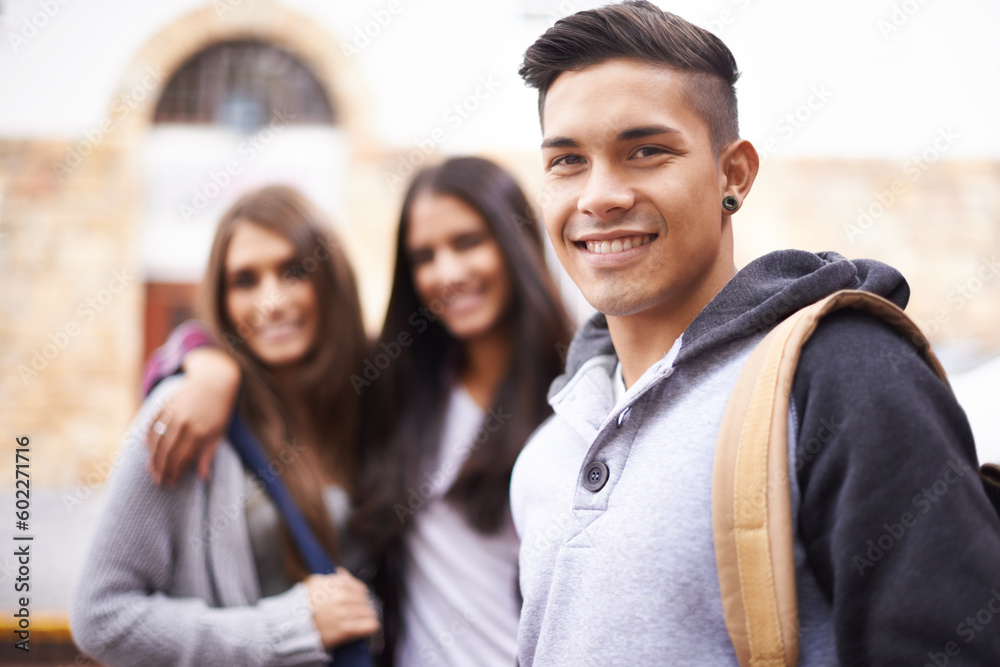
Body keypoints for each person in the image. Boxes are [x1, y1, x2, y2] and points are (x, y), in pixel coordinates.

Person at [508, 2, 1000, 666]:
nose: (600, 195)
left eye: (645, 151)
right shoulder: (547, 450)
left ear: (732, 175)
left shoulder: (844, 373)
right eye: (567, 160)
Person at [137, 157, 574, 666]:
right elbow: (251, 343)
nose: (448, 273)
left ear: (516, 241)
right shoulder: (398, 384)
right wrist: (207, 361)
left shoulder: (579, 398)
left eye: (469, 242)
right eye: (425, 256)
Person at [70, 186, 380, 666]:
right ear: (220, 296)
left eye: (294, 271)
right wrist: (288, 631)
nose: (271, 302)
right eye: (244, 280)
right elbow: (101, 617)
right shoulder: (189, 410)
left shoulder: (369, 400)